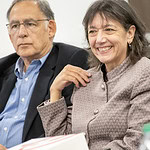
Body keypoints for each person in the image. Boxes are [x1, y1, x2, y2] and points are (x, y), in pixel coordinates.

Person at [37, 0, 150, 150]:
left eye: (109, 29)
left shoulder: (144, 72)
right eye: (92, 31)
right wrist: (55, 91)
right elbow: (62, 142)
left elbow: (136, 142)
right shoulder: (85, 79)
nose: (99, 39)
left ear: (130, 33)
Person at [0, 0, 89, 149]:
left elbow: (68, 131)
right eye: (15, 26)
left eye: (30, 24)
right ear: (10, 36)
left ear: (51, 28)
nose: (21, 33)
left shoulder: (70, 61)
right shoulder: (3, 68)